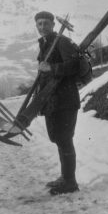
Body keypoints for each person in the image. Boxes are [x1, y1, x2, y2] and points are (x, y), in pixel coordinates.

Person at [34, 11, 80, 195]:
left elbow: (74, 66)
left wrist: (51, 68)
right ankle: (65, 177)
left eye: (46, 23)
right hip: (52, 101)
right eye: (39, 24)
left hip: (65, 101)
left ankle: (70, 182)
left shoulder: (61, 41)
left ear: (53, 25)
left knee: (64, 139)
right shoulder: (45, 44)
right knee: (59, 139)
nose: (43, 27)